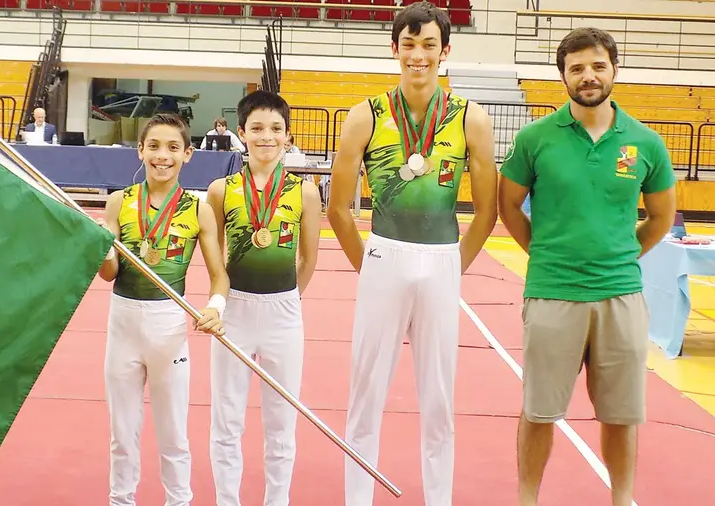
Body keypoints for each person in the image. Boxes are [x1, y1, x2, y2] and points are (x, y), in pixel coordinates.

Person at [326, 2, 498, 505]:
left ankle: (438, 498)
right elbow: (338, 208)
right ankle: (357, 497)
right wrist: (372, 264)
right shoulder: (365, 116)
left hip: (443, 257)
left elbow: (486, 212)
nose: (418, 56)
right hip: (384, 253)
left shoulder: (472, 118)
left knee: (439, 397)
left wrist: (452, 266)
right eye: (409, 45)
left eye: (428, 46)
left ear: (445, 51)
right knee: (366, 391)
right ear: (394, 49)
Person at [497, 27, 676, 506]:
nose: (588, 75)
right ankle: (527, 499)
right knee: (538, 411)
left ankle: (621, 499)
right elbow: (508, 205)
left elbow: (661, 217)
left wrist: (620, 256)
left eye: (597, 65)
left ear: (614, 68)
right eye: (576, 68)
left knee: (620, 415)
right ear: (563, 76)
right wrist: (545, 253)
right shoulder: (536, 138)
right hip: (553, 293)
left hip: (620, 296)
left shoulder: (646, 143)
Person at [95, 112, 230, 506]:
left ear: (188, 154)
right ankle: (121, 500)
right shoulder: (119, 202)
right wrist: (101, 247)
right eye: (153, 146)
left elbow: (219, 275)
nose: (162, 156)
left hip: (168, 327)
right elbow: (108, 273)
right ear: (140, 150)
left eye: (173, 148)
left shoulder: (197, 209)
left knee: (173, 434)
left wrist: (215, 307)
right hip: (122, 323)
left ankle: (178, 500)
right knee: (123, 432)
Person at [206, 90, 322, 506]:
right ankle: (227, 500)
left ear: (288, 138)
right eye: (256, 128)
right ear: (241, 133)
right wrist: (221, 302)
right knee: (227, 419)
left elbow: (309, 257)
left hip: (284, 313)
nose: (266, 136)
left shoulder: (305, 193)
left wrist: (289, 299)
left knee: (281, 422)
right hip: (234, 309)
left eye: (275, 129)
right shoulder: (220, 190)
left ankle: (277, 501)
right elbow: (215, 257)